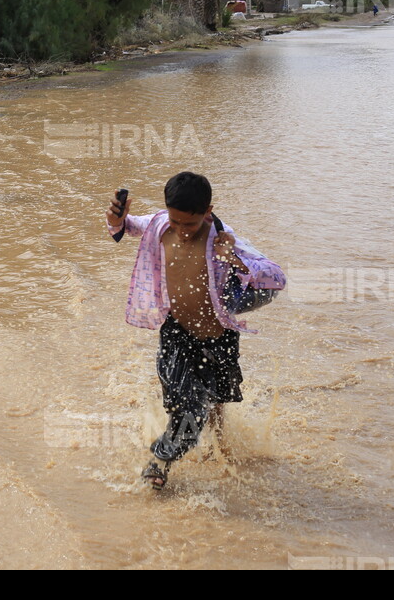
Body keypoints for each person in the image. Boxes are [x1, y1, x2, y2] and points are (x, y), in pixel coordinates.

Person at [105, 172, 286, 490]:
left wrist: (234, 260)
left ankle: (221, 449)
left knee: (216, 399)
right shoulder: (162, 225)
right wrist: (118, 218)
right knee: (189, 409)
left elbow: (275, 277)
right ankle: (160, 461)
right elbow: (128, 228)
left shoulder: (221, 237)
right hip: (177, 333)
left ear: (208, 211)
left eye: (189, 224)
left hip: (219, 336)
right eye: (175, 221)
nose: (181, 230)